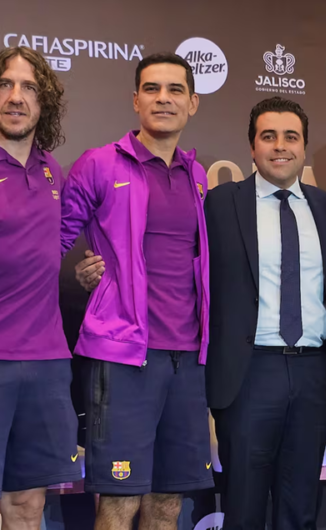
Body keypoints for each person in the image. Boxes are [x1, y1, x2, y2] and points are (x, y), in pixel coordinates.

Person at [61, 52, 213, 530]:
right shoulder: (99, 164)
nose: (163, 99)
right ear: (135, 100)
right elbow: (50, 242)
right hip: (124, 356)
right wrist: (86, 275)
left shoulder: (197, 175)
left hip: (188, 360)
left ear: (192, 103)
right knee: (118, 504)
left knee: (167, 505)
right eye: (152, 89)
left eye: (174, 90)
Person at [204, 96, 326, 530]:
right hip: (248, 373)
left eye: (291, 137)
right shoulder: (219, 204)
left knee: (300, 511)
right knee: (243, 509)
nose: (280, 146)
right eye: (269, 136)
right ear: (252, 146)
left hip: (312, 374)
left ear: (304, 147)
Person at [0, 46, 80, 530]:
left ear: (43, 101)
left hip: (47, 362)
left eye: (29, 87)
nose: (16, 96)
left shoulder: (53, 170)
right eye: (5, 84)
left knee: (28, 506)